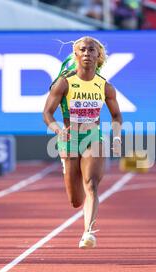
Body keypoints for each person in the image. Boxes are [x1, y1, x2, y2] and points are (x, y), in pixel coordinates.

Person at [43, 36, 122, 249]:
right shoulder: (64, 83)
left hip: (93, 137)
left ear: (99, 57)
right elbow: (47, 113)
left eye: (92, 50)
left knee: (92, 185)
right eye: (83, 50)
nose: (87, 53)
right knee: (76, 200)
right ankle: (66, 167)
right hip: (69, 139)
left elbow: (116, 116)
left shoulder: (105, 86)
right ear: (76, 55)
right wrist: (59, 130)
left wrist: (115, 136)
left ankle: (88, 232)